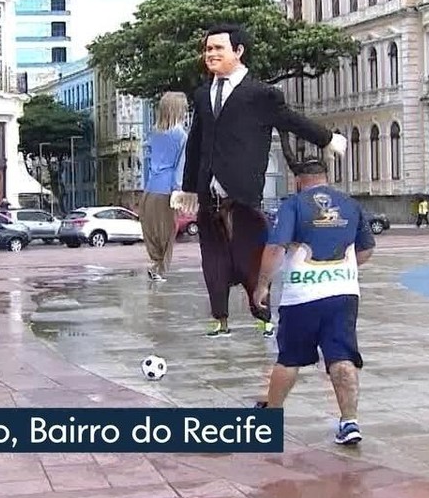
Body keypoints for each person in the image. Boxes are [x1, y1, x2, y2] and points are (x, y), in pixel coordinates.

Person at [173, 22, 347, 338]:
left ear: (238, 51)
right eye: (208, 48)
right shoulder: (202, 94)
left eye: (218, 48)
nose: (210, 54)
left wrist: (326, 139)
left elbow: (291, 120)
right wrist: (188, 188)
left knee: (250, 257)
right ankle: (219, 319)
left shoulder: (261, 94)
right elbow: (196, 142)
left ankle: (263, 316)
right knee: (213, 260)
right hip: (208, 192)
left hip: (243, 192)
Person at [250, 155, 374, 444]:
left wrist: (262, 285)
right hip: (343, 295)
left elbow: (275, 248)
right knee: (342, 356)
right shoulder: (350, 204)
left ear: (298, 182)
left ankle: (271, 416)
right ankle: (349, 422)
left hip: (302, 297)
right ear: (326, 178)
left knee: (289, 358)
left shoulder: (293, 204)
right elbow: (367, 250)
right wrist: (339, 270)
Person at [140, 91, 189, 282]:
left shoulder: (154, 132)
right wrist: (179, 190)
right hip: (167, 189)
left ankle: (155, 264)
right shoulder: (181, 135)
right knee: (168, 233)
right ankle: (159, 269)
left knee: (151, 230)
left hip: (150, 188)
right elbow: (180, 166)